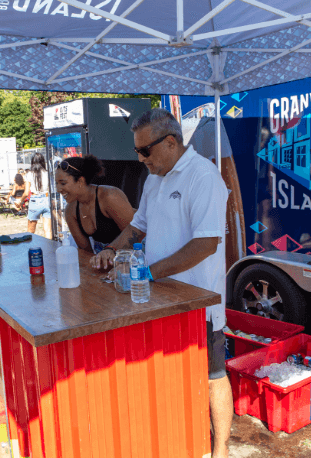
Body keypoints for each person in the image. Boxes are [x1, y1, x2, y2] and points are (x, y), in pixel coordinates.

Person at [90, 108, 232, 457]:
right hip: (158, 297)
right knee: (172, 372)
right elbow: (138, 227)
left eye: (144, 151)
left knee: (213, 375)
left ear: (170, 143)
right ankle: (184, 437)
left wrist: (149, 272)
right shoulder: (155, 177)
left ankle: (222, 448)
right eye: (136, 151)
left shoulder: (204, 176)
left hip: (199, 300)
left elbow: (206, 244)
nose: (140, 159)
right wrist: (111, 250)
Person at [55, 155, 135, 253]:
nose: (58, 189)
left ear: (80, 181)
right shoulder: (70, 211)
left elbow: (134, 235)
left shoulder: (109, 197)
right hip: (105, 259)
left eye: (63, 183)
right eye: (56, 183)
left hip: (135, 253)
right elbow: (86, 252)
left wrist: (111, 252)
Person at [24, 152, 52, 239]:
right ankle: (49, 249)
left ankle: (30, 249)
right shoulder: (48, 173)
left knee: (31, 230)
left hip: (35, 200)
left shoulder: (29, 174)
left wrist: (20, 201)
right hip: (47, 199)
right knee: (48, 230)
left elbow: (26, 192)